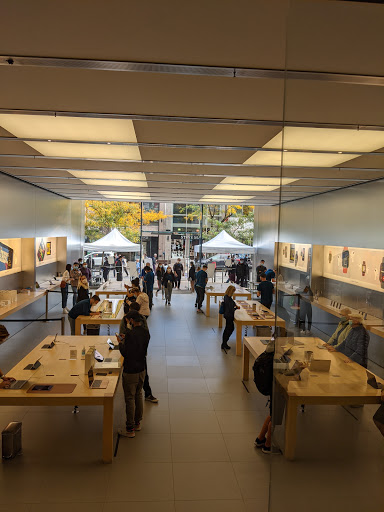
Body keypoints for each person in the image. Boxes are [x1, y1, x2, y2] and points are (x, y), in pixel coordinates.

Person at [118, 311, 150, 437]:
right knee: (138, 394)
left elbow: (126, 353)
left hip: (130, 370)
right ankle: (137, 423)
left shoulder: (130, 334)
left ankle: (129, 428)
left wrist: (121, 342)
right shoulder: (146, 333)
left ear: (131, 320)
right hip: (142, 368)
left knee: (129, 398)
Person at [119, 303, 158, 404]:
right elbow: (122, 335)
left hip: (139, 353)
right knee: (137, 377)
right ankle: (137, 394)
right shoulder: (125, 320)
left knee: (143, 375)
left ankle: (147, 393)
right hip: (131, 352)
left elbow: (146, 334)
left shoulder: (141, 319)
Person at [221, 285, 240, 350]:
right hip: (229, 315)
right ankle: (224, 343)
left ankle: (224, 343)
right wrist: (235, 308)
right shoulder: (228, 299)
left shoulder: (226, 297)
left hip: (227, 315)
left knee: (228, 329)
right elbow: (230, 308)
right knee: (229, 329)